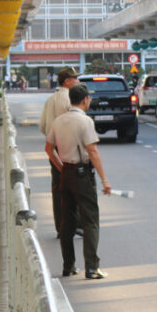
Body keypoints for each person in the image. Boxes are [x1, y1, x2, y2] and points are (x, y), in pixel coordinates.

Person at [45, 83, 112, 280]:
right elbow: (92, 151)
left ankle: (69, 266)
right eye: (89, 98)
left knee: (67, 221)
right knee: (90, 219)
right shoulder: (85, 122)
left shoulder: (58, 121)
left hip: (66, 173)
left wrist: (61, 167)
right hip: (82, 175)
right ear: (85, 100)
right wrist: (104, 180)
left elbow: (49, 149)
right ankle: (92, 267)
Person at [39, 67, 81, 235]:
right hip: (69, 149)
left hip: (53, 148)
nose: (77, 81)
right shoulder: (71, 100)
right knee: (75, 186)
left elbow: (42, 126)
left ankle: (61, 227)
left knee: (57, 187)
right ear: (67, 81)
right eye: (75, 79)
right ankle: (74, 224)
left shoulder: (50, 100)